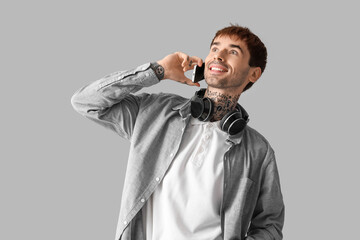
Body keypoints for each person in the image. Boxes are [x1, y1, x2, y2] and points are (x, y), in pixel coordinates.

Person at [71, 24, 285, 240]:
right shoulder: (155, 113)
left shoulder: (259, 150)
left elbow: (270, 225)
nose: (218, 56)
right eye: (214, 48)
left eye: (232, 52)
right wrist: (157, 71)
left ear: (254, 73)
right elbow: (86, 102)